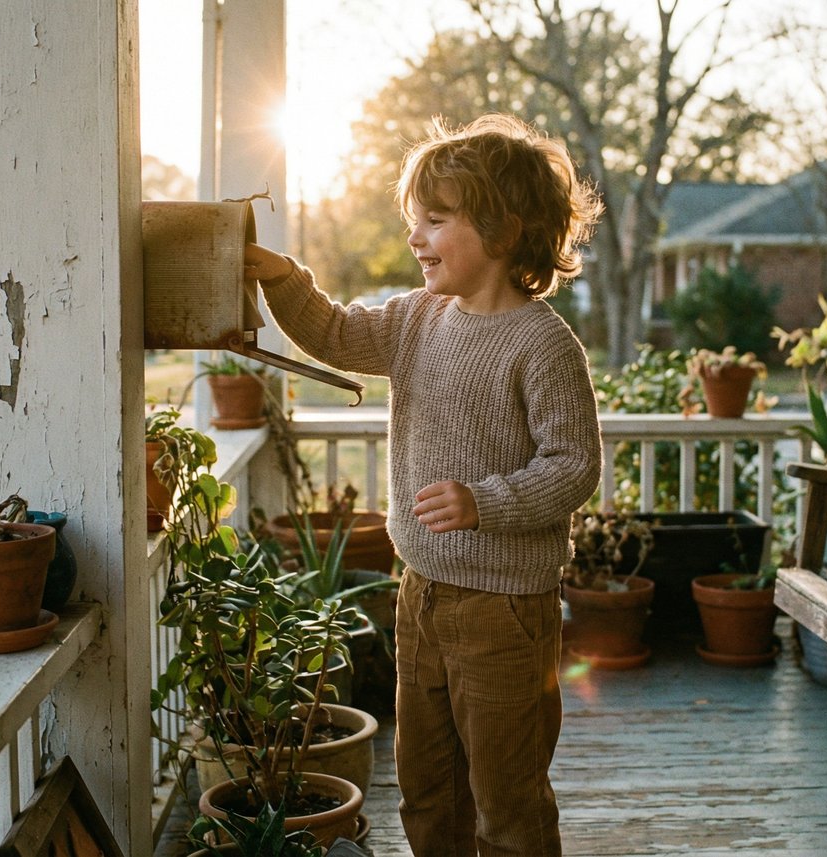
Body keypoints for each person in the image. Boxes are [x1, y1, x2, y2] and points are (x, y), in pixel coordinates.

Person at [243, 113, 603, 856]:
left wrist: (485, 500)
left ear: (502, 231)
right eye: (416, 220)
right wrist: (283, 278)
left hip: (505, 610)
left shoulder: (542, 344)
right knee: (427, 787)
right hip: (422, 595)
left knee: (506, 798)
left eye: (435, 220)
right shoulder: (416, 319)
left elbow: (573, 465)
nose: (415, 238)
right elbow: (338, 333)